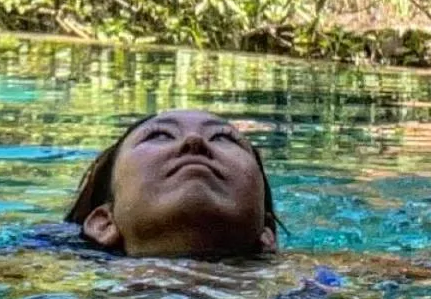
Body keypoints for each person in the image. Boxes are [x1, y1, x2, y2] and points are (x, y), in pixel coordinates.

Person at [64, 108, 279, 258]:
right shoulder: (53, 275)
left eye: (222, 138)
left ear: (266, 233)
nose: (194, 140)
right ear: (103, 224)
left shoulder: (301, 280)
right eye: (160, 135)